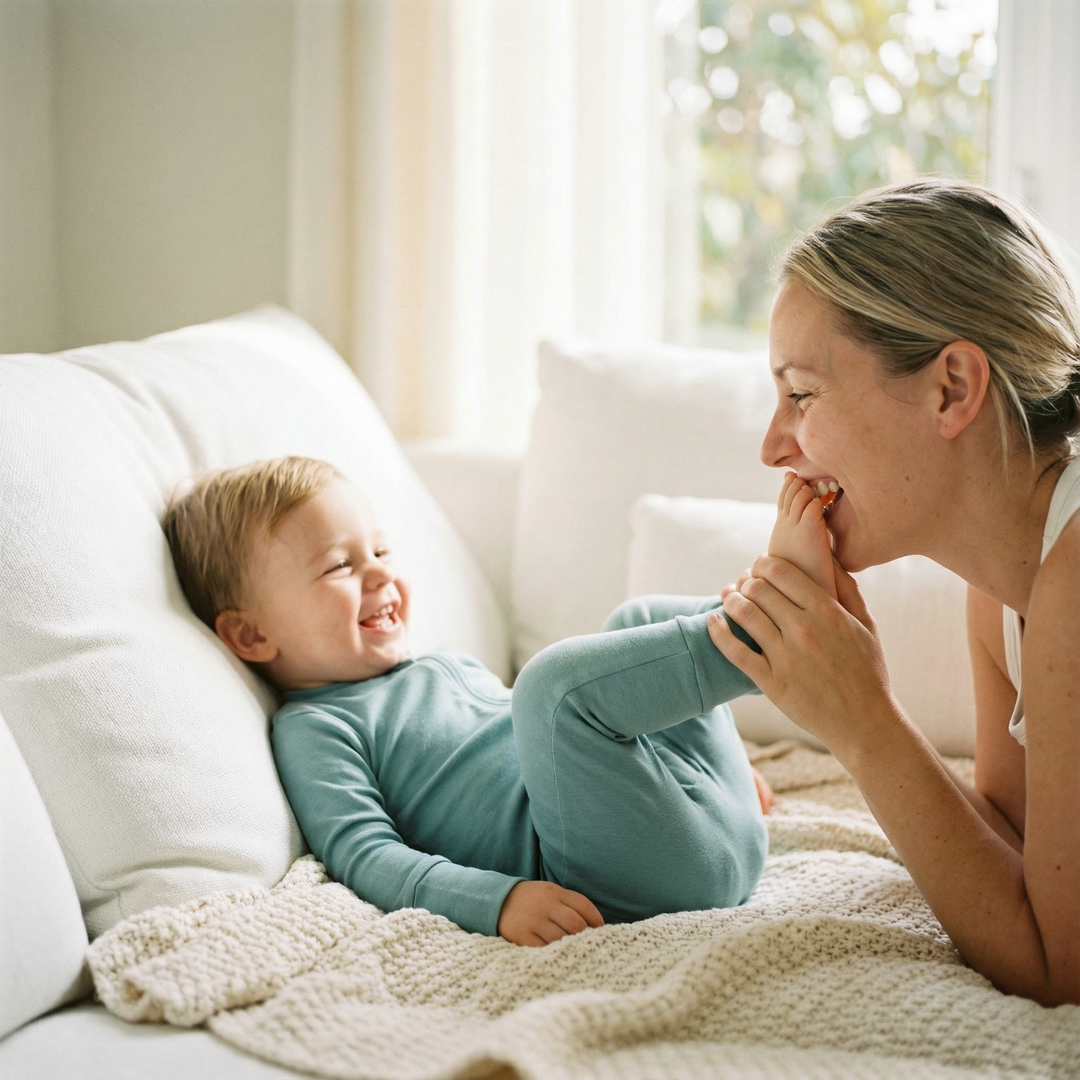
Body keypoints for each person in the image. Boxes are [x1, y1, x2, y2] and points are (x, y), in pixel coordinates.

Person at [708, 177, 1080, 1006]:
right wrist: (850, 693)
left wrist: (862, 718)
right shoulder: (1007, 591)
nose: (775, 447)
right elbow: (1018, 858)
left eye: (801, 394)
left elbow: (1062, 972)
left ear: (951, 387)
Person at [163, 457, 769, 946]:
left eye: (379, 552)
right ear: (252, 635)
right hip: (634, 877)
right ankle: (779, 627)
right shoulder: (317, 727)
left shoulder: (438, 663)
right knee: (550, 692)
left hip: (711, 824)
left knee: (637, 620)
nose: (378, 576)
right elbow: (365, 854)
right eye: (340, 567)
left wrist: (716, 760)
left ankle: (785, 620)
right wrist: (495, 901)